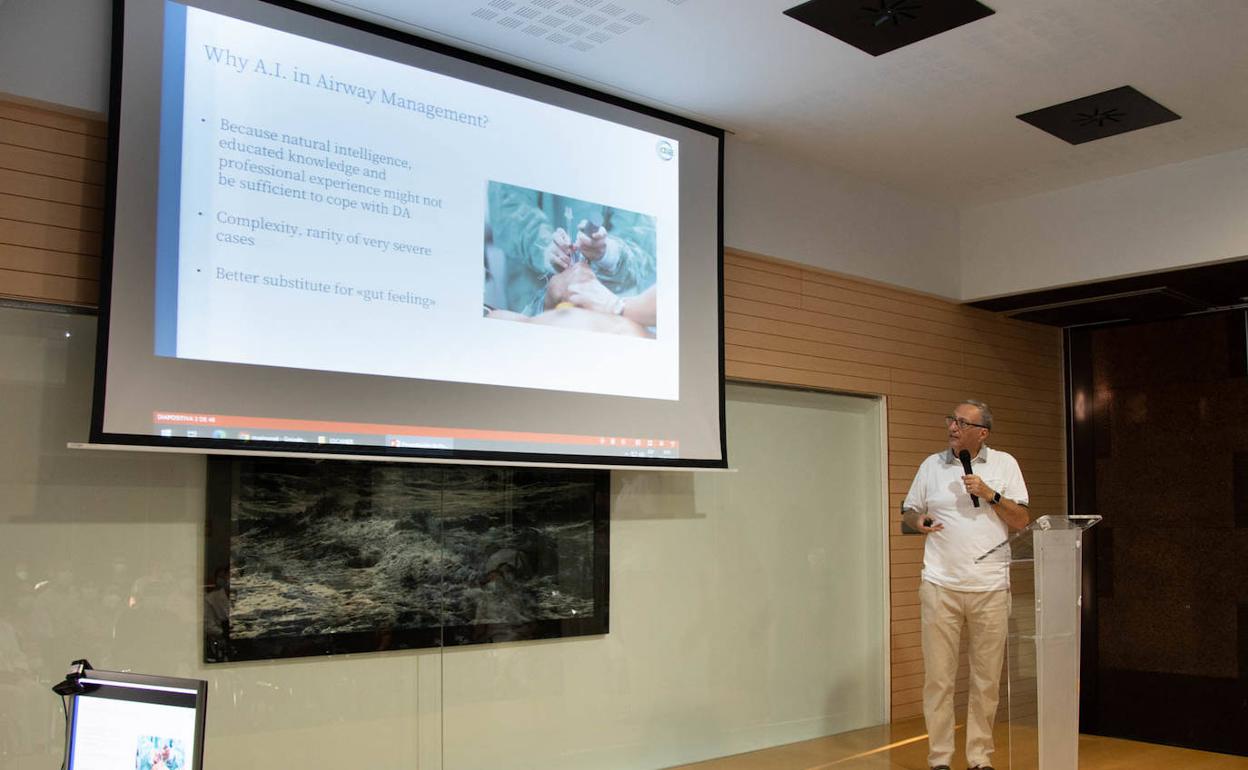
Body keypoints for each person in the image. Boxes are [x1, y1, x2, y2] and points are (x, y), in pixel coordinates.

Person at [901, 400, 1030, 770]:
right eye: (951, 420)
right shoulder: (931, 465)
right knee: (938, 680)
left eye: (962, 422)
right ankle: (940, 759)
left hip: (990, 587)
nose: (952, 427)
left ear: (982, 432)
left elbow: (1022, 519)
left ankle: (979, 758)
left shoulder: (1005, 465)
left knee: (986, 681)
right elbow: (907, 515)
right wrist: (918, 521)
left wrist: (990, 493)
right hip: (940, 586)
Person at [485, 182, 656, 316]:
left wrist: (607, 253)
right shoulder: (529, 316)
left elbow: (641, 238)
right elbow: (509, 207)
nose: (578, 272)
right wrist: (545, 249)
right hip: (530, 298)